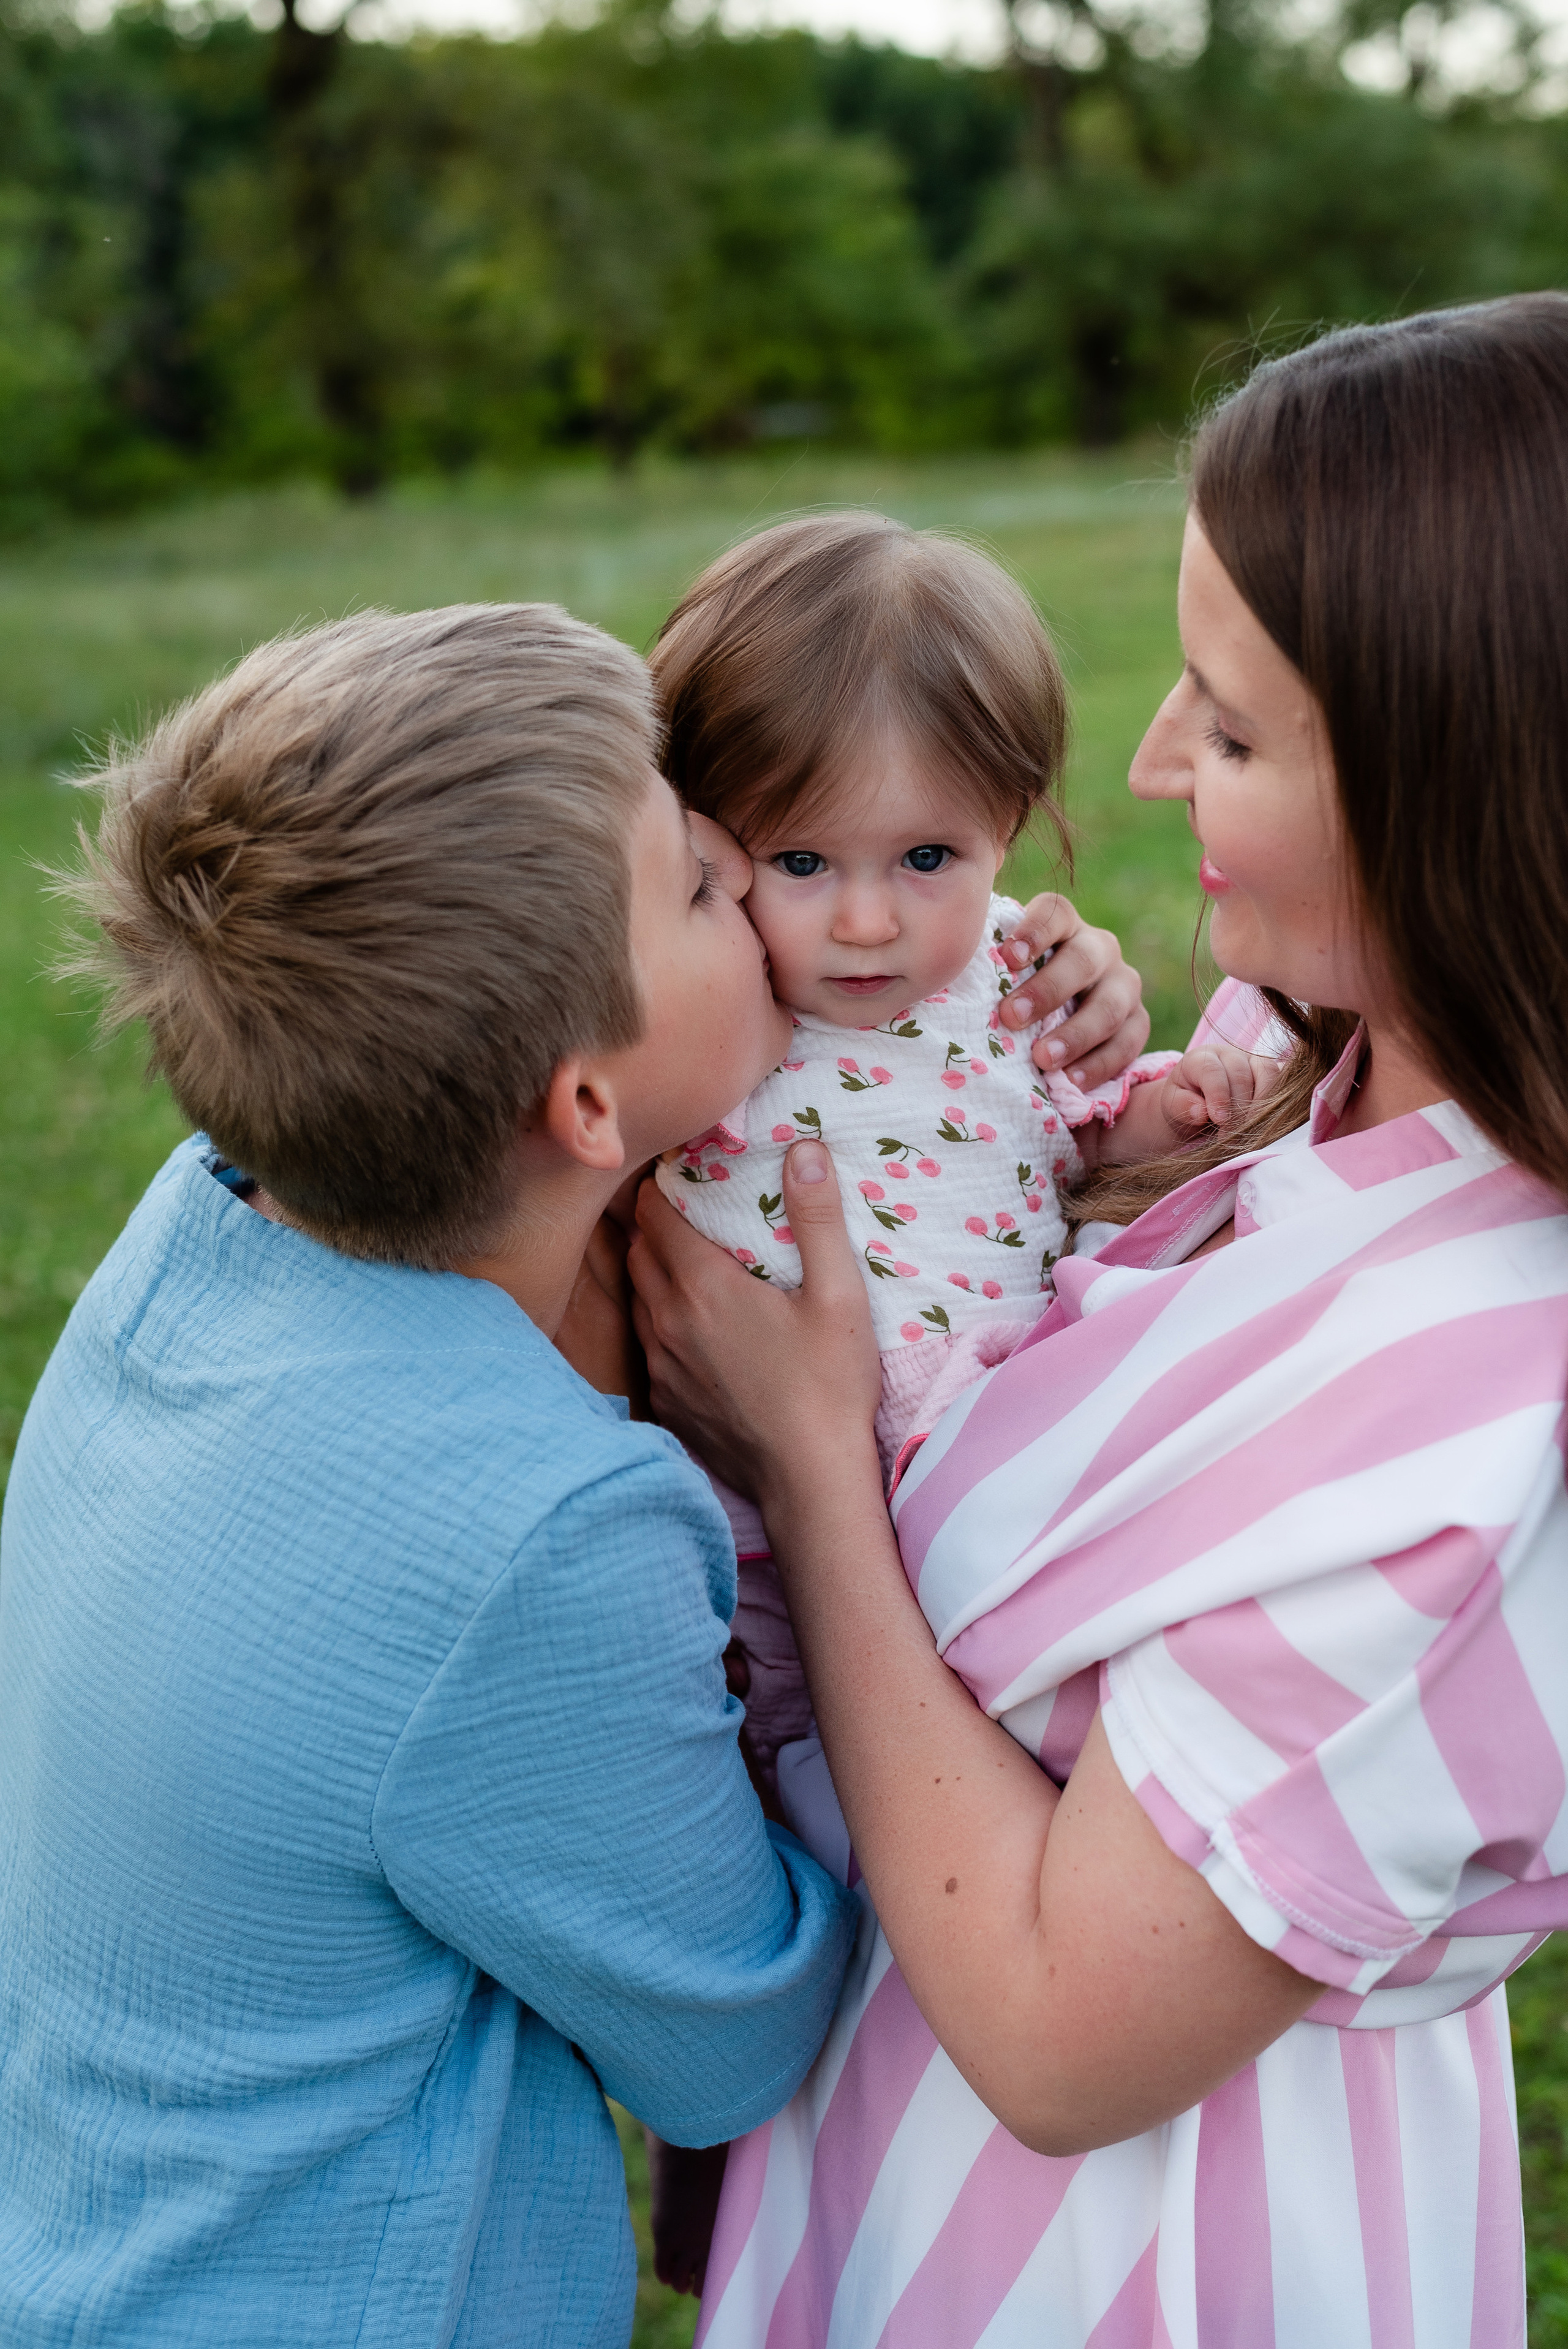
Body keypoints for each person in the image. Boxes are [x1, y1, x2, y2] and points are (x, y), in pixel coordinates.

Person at [0, 599, 1144, 2348]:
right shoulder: (539, 1534)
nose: (765, 889)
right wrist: (812, 1461)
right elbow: (733, 2036)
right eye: (702, 883)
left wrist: (1007, 994)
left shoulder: (209, 1217)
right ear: (589, 1111)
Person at [628, 293, 1568, 2347]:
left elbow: (1064, 2043)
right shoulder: (1343, 1066)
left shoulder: (1475, 1457)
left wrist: (809, 1453)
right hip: (888, 2144)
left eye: (1229, 728)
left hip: (1119, 2263)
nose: (1141, 766)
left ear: (1454, 779)